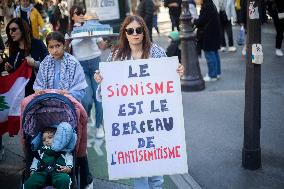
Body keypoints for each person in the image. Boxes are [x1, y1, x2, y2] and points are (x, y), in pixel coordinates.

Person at [94, 15, 184, 189]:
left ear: (144, 32)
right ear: (125, 34)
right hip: (130, 120)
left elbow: (168, 82)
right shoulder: (116, 56)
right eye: (130, 30)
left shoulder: (156, 52)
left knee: (156, 163)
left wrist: (177, 72)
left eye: (138, 30)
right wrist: (101, 80)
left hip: (153, 117)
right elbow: (105, 93)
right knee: (138, 168)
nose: (135, 34)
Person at [33, 31, 93, 189]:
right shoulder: (46, 62)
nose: (55, 50)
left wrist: (66, 94)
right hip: (47, 110)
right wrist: (40, 91)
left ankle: (86, 176)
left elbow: (80, 89)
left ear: (64, 45)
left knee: (79, 142)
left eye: (58, 46)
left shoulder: (73, 62)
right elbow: (38, 84)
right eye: (51, 47)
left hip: (68, 107)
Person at [68, 5, 110, 139]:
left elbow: (102, 46)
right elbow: (65, 50)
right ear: (72, 16)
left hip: (95, 61)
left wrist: (108, 40)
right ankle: (85, 120)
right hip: (80, 66)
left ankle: (99, 125)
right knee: (86, 99)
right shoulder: (70, 31)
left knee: (99, 97)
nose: (81, 15)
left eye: (83, 12)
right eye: (77, 13)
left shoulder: (91, 26)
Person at [0, 18, 48, 96]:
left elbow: (50, 65)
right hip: (21, 95)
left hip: (38, 93)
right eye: (9, 30)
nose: (11, 33)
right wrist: (10, 69)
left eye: (14, 29)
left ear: (22, 30)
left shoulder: (37, 44)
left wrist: (35, 64)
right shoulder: (14, 49)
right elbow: (16, 75)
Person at [24, 124, 75, 189]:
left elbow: (69, 158)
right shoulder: (41, 150)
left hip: (58, 171)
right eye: (43, 140)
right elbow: (36, 160)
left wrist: (68, 168)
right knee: (29, 183)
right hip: (42, 171)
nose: (46, 141)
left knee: (65, 179)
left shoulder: (63, 149)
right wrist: (33, 170)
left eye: (50, 137)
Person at [192, 0, 221, 82]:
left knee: (209, 54)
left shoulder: (206, 6)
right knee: (215, 53)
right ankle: (217, 73)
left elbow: (201, 21)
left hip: (208, 35)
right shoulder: (211, 4)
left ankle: (212, 75)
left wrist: (194, 21)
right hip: (214, 33)